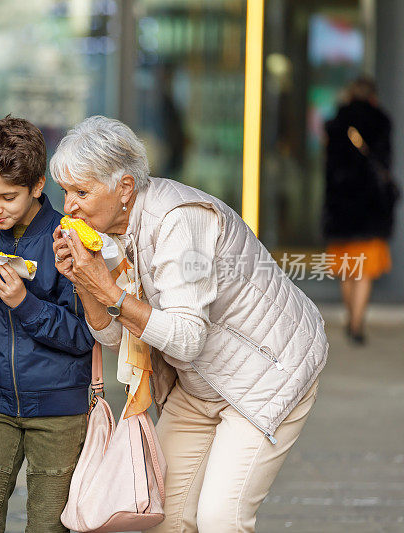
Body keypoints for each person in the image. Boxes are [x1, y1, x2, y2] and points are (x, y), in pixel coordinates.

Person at [51, 116, 328, 532]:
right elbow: (112, 335)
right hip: (197, 383)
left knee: (222, 518)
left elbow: (185, 339)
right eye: (65, 191)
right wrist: (85, 282)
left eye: (81, 192)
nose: (69, 205)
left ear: (125, 187)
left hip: (266, 372)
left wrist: (106, 289)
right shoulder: (111, 233)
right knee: (160, 515)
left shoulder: (182, 221)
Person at [0, 116, 95, 533]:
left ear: (37, 186)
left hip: (60, 408)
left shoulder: (69, 240)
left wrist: (24, 304)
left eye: (7, 197)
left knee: (49, 526)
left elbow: (84, 335)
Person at [324, 76, 398, 344]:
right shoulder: (382, 121)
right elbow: (384, 163)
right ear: (372, 96)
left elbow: (329, 168)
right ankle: (356, 325)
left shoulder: (336, 123)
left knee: (347, 269)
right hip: (371, 207)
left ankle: (349, 315)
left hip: (341, 208)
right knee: (364, 271)